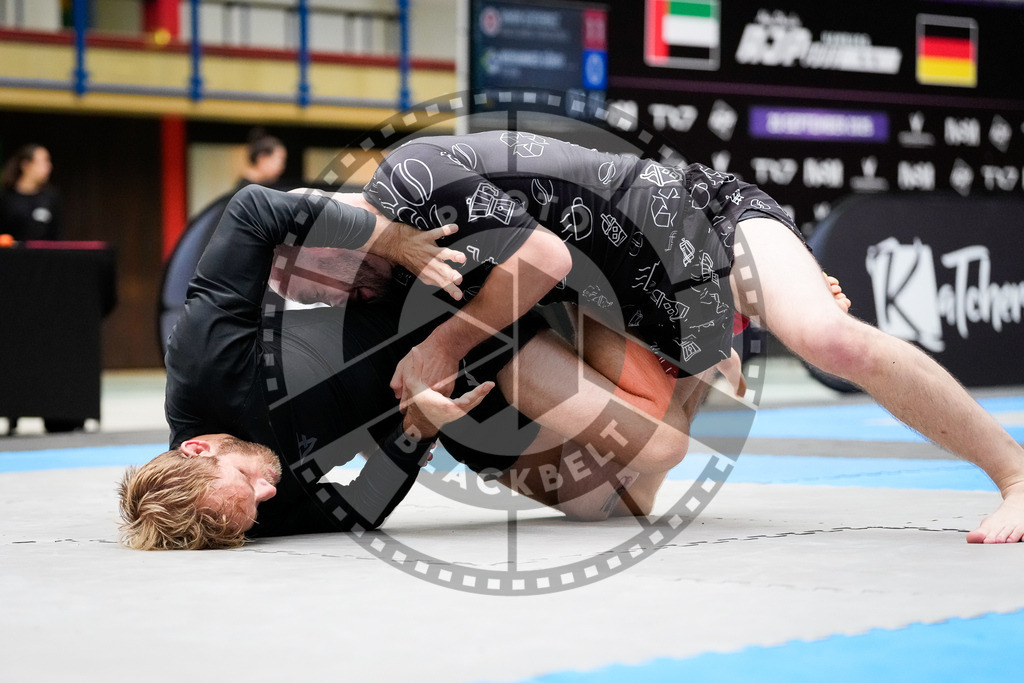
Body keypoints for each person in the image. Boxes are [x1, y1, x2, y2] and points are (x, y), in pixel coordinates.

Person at [340, 130, 1024, 543]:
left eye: (330, 283)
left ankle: (1015, 474)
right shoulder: (417, 270)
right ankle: (717, 338)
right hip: (650, 305)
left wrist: (444, 347)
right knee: (619, 500)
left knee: (828, 338)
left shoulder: (409, 178)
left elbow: (545, 258)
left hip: (707, 218)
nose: (347, 296)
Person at [0, 144, 61, 241]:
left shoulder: (50, 197)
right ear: (26, 165)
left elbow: (57, 235)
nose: (49, 166)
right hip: (12, 255)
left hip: (45, 255)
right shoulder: (6, 197)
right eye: (44, 161)